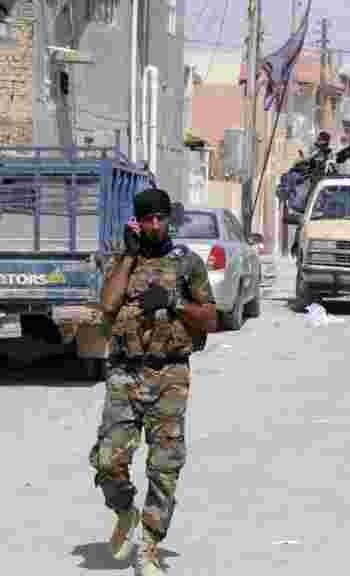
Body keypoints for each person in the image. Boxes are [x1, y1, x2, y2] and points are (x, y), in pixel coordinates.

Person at [90, 189, 218, 576]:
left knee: (164, 467)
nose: (155, 225)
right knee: (108, 460)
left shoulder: (187, 264)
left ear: (169, 220)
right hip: (125, 372)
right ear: (139, 221)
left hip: (170, 375)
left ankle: (149, 547)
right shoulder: (122, 261)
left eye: (161, 218)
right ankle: (125, 512)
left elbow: (210, 318)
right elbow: (108, 306)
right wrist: (128, 257)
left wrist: (173, 303)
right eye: (148, 219)